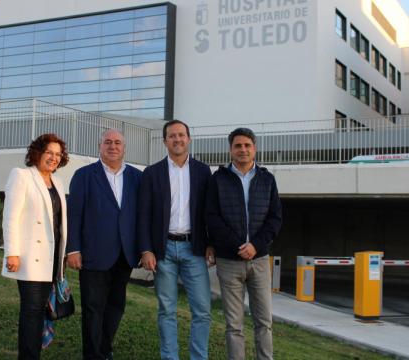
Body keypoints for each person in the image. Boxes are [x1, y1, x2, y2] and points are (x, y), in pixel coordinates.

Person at [205, 127, 282, 360]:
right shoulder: (217, 179)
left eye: (247, 145)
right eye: (238, 145)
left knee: (264, 322)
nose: (243, 150)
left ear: (254, 148)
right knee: (234, 325)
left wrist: (255, 246)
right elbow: (211, 217)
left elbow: (275, 218)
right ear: (230, 149)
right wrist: (239, 245)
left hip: (258, 261)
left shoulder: (267, 179)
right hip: (229, 261)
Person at [138, 120, 212, 360]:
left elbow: (209, 211)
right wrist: (146, 249)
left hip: (194, 249)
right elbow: (143, 214)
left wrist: (210, 243)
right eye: (172, 136)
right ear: (164, 141)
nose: (177, 139)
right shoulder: (152, 173)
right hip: (163, 250)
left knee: (202, 311)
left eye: (181, 135)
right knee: (166, 310)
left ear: (188, 139)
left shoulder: (203, 171)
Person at [66, 128, 142, 360]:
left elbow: (141, 215)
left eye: (118, 142)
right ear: (100, 146)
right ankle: (92, 354)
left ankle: (104, 349)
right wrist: (73, 248)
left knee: (116, 306)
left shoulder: (137, 177)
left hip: (125, 254)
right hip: (93, 254)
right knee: (92, 308)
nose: (113, 146)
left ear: (124, 148)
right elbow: (74, 215)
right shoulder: (84, 175)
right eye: (108, 142)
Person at [1, 133, 70, 360]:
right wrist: (12, 253)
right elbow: (10, 216)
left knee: (42, 311)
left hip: (53, 259)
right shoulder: (21, 176)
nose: (53, 158)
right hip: (31, 259)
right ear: (37, 152)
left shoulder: (57, 182)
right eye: (49, 152)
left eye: (58, 154)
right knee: (31, 313)